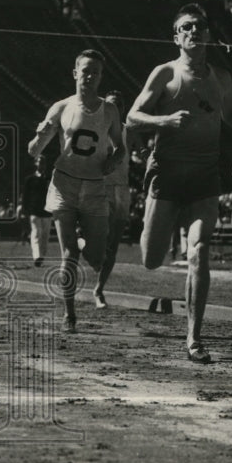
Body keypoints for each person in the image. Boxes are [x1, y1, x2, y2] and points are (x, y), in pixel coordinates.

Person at [127, 3, 232, 363]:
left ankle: (194, 339)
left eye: (200, 27)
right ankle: (158, 226)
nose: (194, 32)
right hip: (167, 174)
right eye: (187, 27)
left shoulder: (222, 77)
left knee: (200, 250)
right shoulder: (165, 74)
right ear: (176, 37)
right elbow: (132, 116)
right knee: (150, 259)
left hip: (205, 175)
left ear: (209, 34)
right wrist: (164, 121)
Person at [27, 50, 126, 332]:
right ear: (75, 73)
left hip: (95, 186)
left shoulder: (109, 110)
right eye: (85, 71)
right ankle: (69, 314)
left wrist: (112, 161)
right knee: (68, 253)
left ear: (101, 77)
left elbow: (120, 148)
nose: (90, 76)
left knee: (97, 258)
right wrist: (41, 134)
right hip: (65, 184)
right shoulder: (61, 108)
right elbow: (33, 150)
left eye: (95, 72)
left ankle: (85, 243)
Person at [93, 90, 137, 309]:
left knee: (113, 246)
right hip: (100, 187)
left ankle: (99, 289)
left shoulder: (129, 130)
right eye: (110, 104)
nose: (115, 107)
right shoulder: (96, 130)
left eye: (118, 104)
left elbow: (136, 152)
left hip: (122, 190)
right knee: (99, 241)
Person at [21, 154, 53, 266]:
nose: (41, 165)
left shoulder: (50, 179)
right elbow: (25, 197)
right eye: (39, 162)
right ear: (35, 163)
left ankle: (41, 257)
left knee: (45, 236)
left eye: (43, 162)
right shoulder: (29, 179)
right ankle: (37, 256)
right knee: (36, 233)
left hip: (47, 212)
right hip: (34, 211)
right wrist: (24, 211)